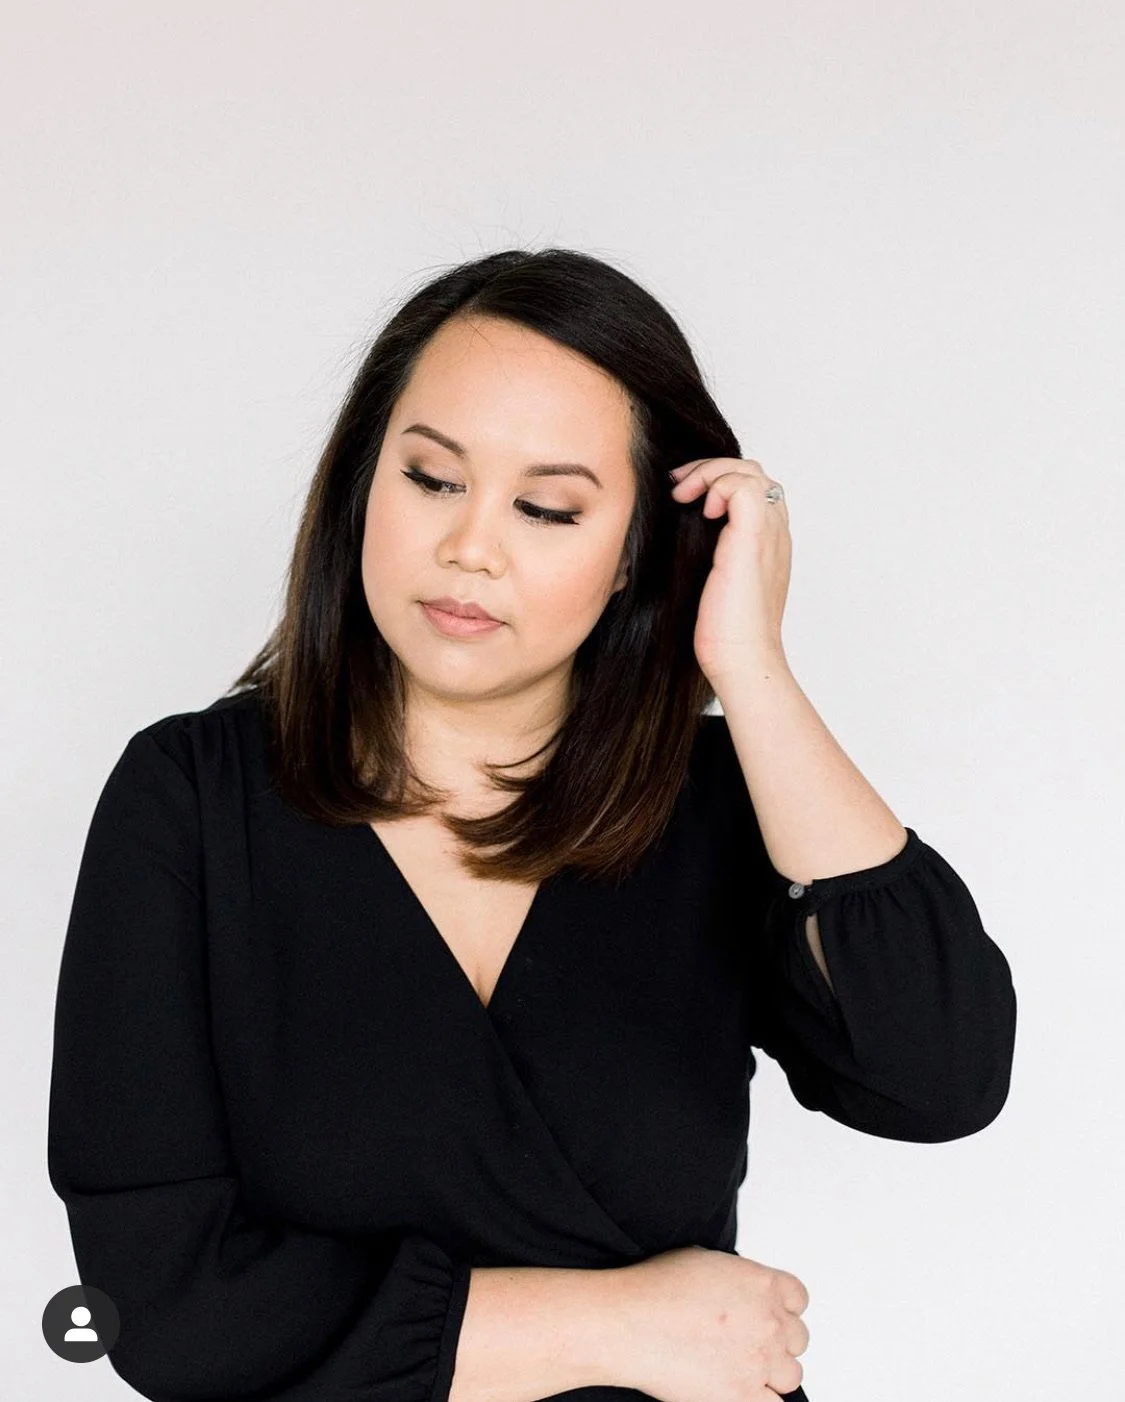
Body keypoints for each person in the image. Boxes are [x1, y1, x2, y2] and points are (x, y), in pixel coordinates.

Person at [47, 247, 1018, 1402]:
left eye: (547, 507)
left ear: (634, 554)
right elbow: (157, 1307)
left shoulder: (719, 804)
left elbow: (941, 1077)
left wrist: (751, 669)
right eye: (432, 479)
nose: (471, 547)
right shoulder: (190, 800)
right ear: (363, 483)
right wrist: (618, 1326)